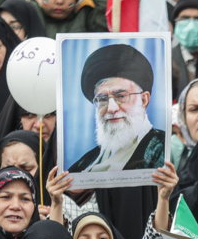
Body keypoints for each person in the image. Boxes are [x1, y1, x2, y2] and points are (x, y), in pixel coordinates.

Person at [67, 44, 166, 174]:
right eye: (102, 99)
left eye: (121, 96)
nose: (111, 108)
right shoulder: (85, 163)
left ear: (144, 100)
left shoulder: (163, 148)